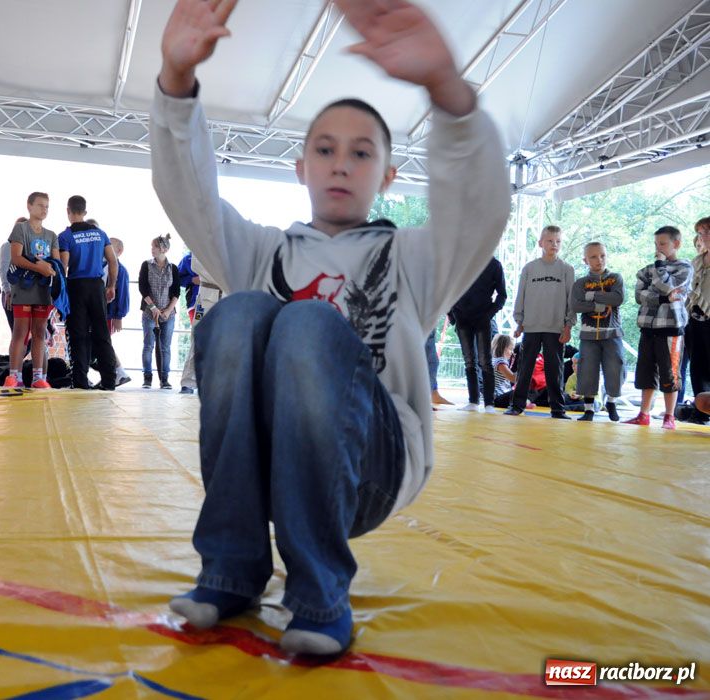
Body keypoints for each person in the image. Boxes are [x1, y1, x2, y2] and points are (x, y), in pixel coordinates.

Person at [151, 0, 510, 655]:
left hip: (369, 467)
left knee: (308, 326)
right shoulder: (260, 252)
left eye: (361, 152)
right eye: (324, 150)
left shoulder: (413, 259)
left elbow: (478, 208)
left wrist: (446, 91)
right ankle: (230, 571)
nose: (341, 163)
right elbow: (189, 194)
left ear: (388, 175)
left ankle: (318, 594)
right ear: (301, 168)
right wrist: (176, 82)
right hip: (269, 467)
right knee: (237, 313)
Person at [624, 226, 693, 430]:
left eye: (663, 244)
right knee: (645, 371)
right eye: (656, 244)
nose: (658, 248)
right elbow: (639, 295)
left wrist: (660, 272)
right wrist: (663, 298)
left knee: (670, 372)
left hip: (670, 328)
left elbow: (670, 288)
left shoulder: (684, 268)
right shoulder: (648, 268)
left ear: (676, 244)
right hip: (647, 326)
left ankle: (669, 416)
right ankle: (643, 413)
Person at [504, 226, 575, 419]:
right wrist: (519, 322)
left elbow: (572, 300)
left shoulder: (567, 269)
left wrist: (569, 325)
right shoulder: (529, 268)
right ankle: (517, 405)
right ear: (541, 243)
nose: (554, 245)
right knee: (525, 368)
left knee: (555, 371)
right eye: (550, 241)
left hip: (556, 328)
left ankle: (558, 409)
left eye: (558, 241)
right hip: (531, 327)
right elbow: (521, 296)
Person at [58, 195, 119, 390]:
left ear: (68, 211)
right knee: (102, 334)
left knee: (78, 335)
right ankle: (109, 381)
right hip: (96, 286)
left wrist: (60, 293)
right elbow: (113, 260)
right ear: (85, 212)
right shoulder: (100, 234)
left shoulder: (66, 236)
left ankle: (80, 382)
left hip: (76, 286)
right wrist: (111, 285)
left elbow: (64, 266)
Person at [4, 194, 57, 389]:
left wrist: (51, 270)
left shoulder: (51, 235)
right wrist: (39, 267)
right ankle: (13, 375)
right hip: (23, 289)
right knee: (20, 332)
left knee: (40, 333)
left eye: (47, 207)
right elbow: (16, 258)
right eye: (41, 205)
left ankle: (38, 377)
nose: (44, 210)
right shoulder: (20, 229)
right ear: (29, 206)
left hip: (44, 291)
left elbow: (57, 263)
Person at [569, 242, 624, 422]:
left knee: (615, 367)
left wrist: (590, 296)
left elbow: (617, 298)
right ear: (585, 260)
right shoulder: (580, 283)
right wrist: (599, 304)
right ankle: (588, 409)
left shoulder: (616, 278)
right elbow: (576, 304)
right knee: (587, 370)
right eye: (593, 256)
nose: (599, 260)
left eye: (602, 255)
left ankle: (612, 403)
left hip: (612, 333)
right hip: (588, 334)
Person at [450, 256, 506, 412]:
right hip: (462, 317)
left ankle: (489, 403)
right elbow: (447, 288)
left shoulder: (494, 264)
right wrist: (452, 313)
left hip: (483, 318)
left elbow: (502, 295)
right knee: (469, 360)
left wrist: (489, 314)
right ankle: (473, 401)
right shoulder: (458, 262)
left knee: (485, 361)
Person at [139, 234, 181, 389]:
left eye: (155, 247)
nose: (152, 250)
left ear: (164, 249)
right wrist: (153, 308)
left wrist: (169, 310)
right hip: (150, 312)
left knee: (165, 347)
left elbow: (176, 292)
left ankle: (164, 379)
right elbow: (142, 288)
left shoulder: (173, 268)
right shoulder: (146, 265)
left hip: (168, 314)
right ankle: (147, 377)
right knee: (148, 345)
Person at [179, 256, 223, 395]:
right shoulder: (201, 244)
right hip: (205, 299)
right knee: (197, 338)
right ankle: (188, 381)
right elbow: (195, 266)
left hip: (228, 298)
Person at [684, 218, 710, 423]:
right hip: (694, 319)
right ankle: (701, 411)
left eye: (706, 231)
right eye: (700, 232)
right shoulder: (697, 261)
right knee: (697, 365)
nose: (703, 236)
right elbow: (689, 291)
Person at [106, 237, 132, 386]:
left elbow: (122, 295)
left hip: (110, 314)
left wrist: (118, 316)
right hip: (105, 312)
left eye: (111, 247)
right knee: (102, 342)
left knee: (105, 342)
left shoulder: (120, 270)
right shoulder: (106, 266)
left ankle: (119, 372)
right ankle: (116, 373)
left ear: (119, 251)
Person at [491, 334, 518, 409]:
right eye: (510, 349)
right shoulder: (500, 362)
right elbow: (513, 378)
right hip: (499, 397)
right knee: (520, 391)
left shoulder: (495, 360)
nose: (512, 352)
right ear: (503, 348)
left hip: (500, 396)